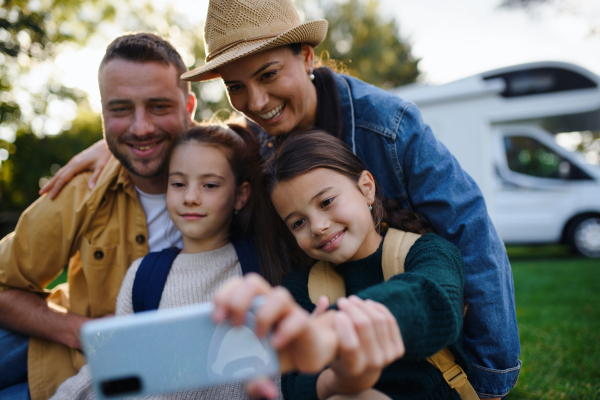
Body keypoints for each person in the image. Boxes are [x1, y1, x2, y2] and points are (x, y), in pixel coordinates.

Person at [42, 0, 521, 397]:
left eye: (269, 74)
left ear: (308, 57)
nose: (255, 100)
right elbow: (206, 147)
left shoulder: (389, 127)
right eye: (235, 87)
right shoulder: (258, 143)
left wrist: (491, 379)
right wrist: (117, 139)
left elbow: (470, 235)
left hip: (413, 332)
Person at [0, 32, 196, 400]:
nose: (141, 128)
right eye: (121, 109)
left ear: (189, 108)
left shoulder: (236, 173)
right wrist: (82, 331)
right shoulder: (80, 191)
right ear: (104, 113)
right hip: (67, 362)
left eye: (158, 106)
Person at [213, 130, 469, 400]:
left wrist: (331, 328)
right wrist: (341, 378)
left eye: (326, 202)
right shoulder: (301, 288)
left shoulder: (427, 252)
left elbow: (434, 301)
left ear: (366, 188)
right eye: (298, 222)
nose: (318, 226)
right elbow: (297, 387)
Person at [51, 122, 265, 399]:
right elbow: (110, 366)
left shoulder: (260, 273)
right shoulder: (144, 275)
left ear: (240, 195)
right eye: (178, 183)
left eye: (210, 185)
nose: (190, 197)